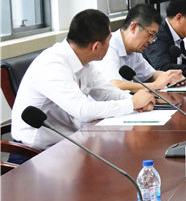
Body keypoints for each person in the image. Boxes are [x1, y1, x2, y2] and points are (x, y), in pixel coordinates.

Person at [11, 9, 155, 151]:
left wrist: (137, 101)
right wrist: (131, 104)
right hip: (35, 153)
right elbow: (83, 110)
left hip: (69, 142)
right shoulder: (52, 65)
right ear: (96, 47)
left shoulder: (84, 61)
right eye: (109, 40)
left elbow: (106, 92)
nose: (110, 44)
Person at [94, 4, 184, 93]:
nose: (151, 41)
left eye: (153, 37)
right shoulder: (109, 47)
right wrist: (155, 85)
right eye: (150, 35)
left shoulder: (134, 50)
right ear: (133, 27)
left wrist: (170, 76)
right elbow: (115, 86)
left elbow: (151, 74)